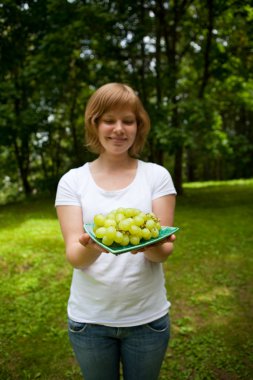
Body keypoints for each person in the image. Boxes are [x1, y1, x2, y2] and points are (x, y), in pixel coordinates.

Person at [55, 82, 177, 380]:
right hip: (89, 321)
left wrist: (154, 243)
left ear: (139, 126)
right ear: (94, 124)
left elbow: (162, 254)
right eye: (109, 120)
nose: (119, 129)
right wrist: (91, 246)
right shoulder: (72, 182)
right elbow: (75, 257)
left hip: (147, 319)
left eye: (128, 120)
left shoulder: (157, 176)